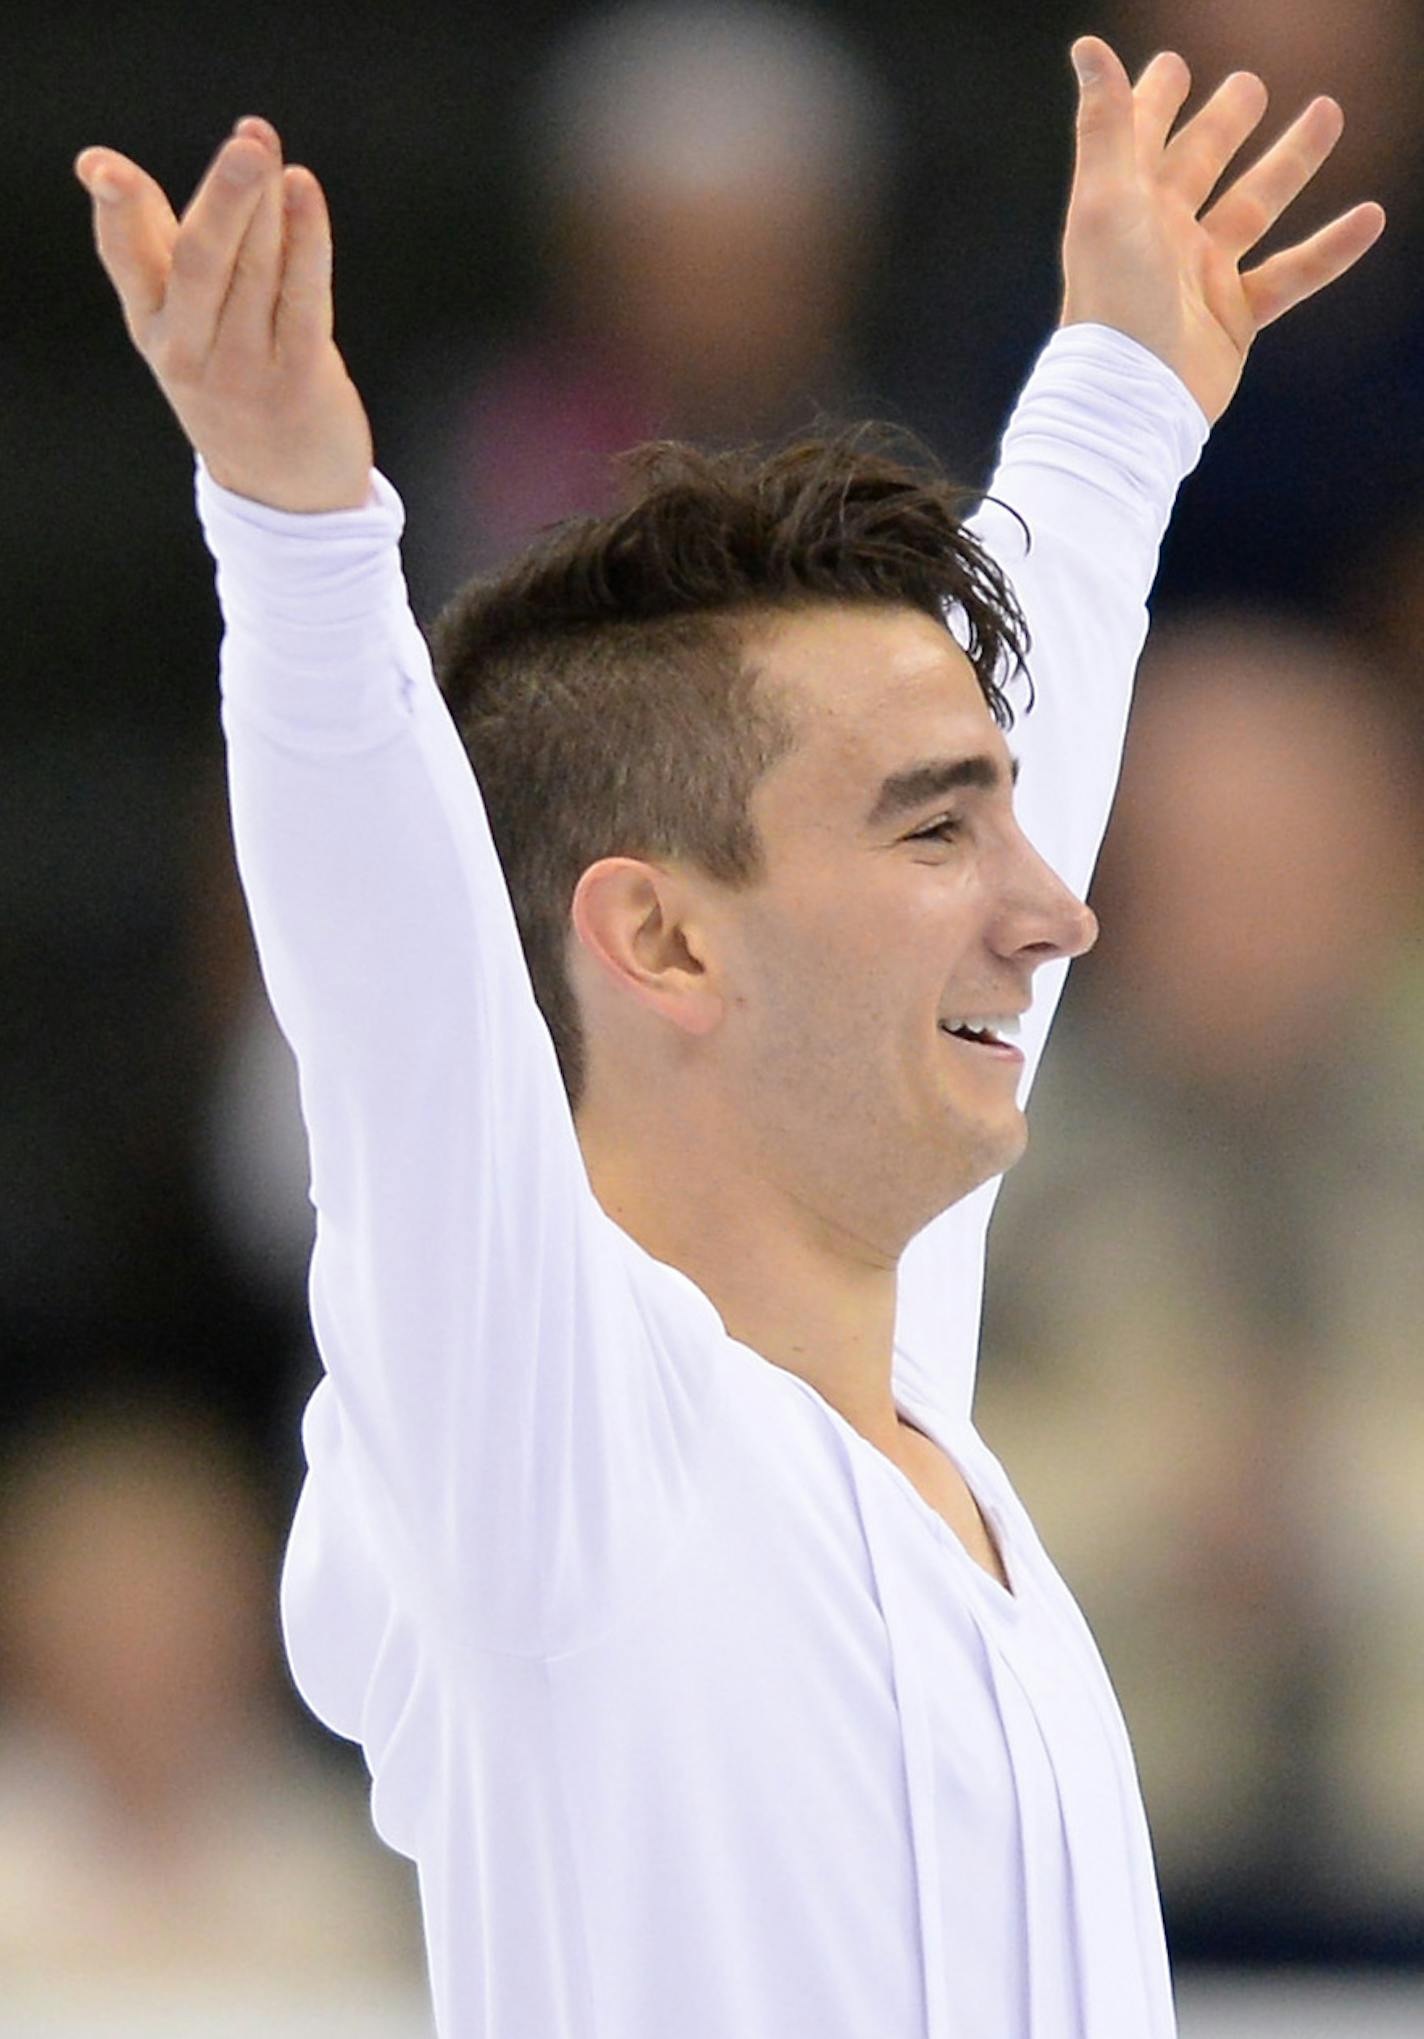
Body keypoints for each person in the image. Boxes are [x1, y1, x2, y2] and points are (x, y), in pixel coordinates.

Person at [73, 35, 1384, 2039]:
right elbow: (397, 1017)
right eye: (939, 834)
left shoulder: (894, 1374)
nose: (1058, 912)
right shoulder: (563, 1442)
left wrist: (1118, 412)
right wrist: (300, 540)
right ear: (663, 941)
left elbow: (1015, 763)